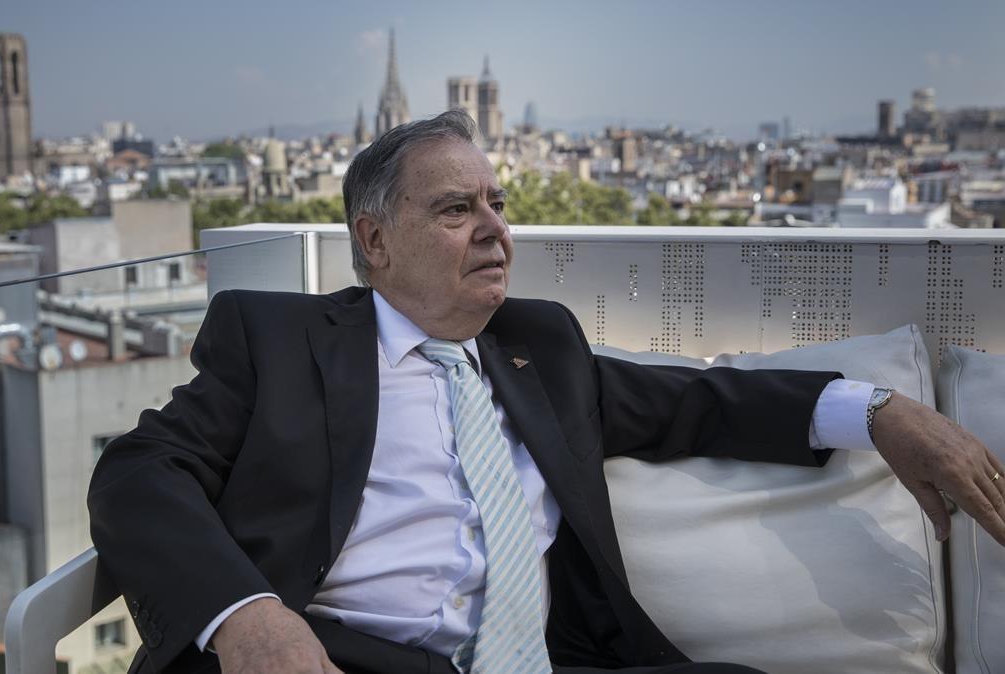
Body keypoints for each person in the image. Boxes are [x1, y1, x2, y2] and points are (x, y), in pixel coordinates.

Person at [88, 111, 1005, 674]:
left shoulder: (540, 348)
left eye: (496, 203)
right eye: (456, 210)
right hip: (336, 657)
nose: (495, 229)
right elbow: (138, 469)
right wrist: (249, 620)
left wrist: (883, 411)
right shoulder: (278, 338)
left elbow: (700, 402)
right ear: (373, 242)